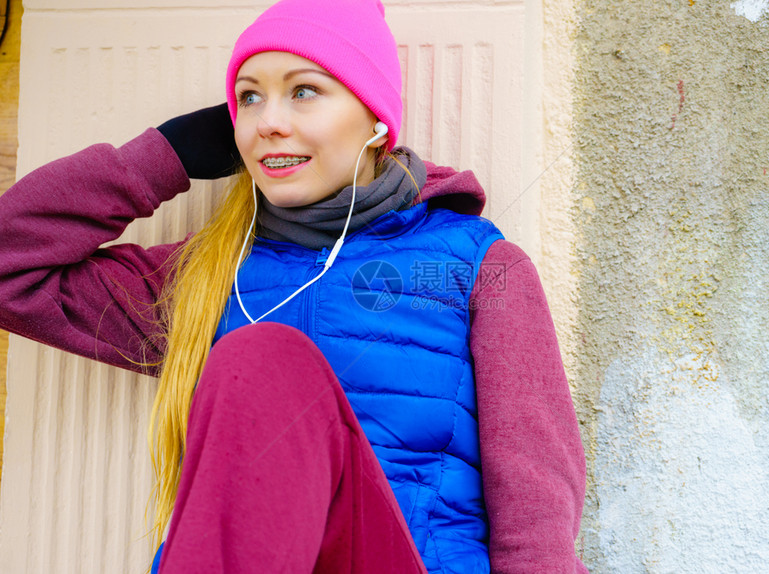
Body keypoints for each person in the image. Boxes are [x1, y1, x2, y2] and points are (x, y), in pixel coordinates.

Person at [0, 0, 588, 572]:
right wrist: (165, 155)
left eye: (303, 91)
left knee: (264, 358)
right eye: (249, 97)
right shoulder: (207, 273)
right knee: (257, 363)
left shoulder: (481, 266)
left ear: (376, 118)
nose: (267, 121)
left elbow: (536, 508)